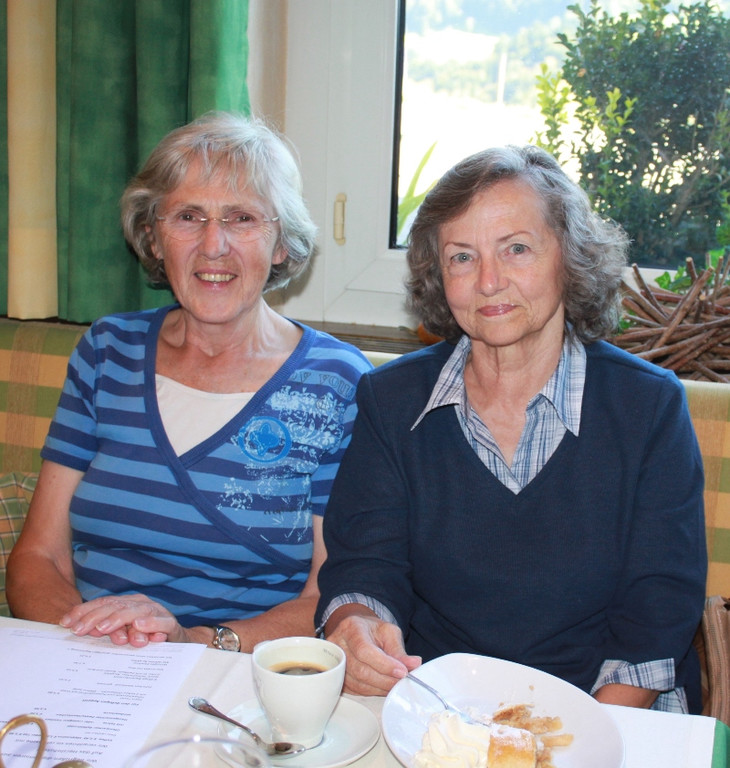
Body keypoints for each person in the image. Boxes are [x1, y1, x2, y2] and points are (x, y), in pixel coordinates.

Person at [315, 145, 707, 713]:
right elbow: (365, 566)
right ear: (438, 274)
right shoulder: (390, 400)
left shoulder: (649, 407)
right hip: (438, 704)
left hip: (610, 705)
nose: (489, 281)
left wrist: (577, 736)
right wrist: (357, 625)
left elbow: (658, 608)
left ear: (569, 257)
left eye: (516, 249)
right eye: (462, 257)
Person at [7, 112, 371, 652]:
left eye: (242, 218)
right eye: (188, 216)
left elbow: (330, 594)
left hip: (236, 668)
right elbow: (39, 557)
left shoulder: (337, 383)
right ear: (153, 238)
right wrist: (98, 646)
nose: (213, 244)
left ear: (281, 244)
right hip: (87, 654)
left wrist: (191, 643)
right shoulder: (107, 351)